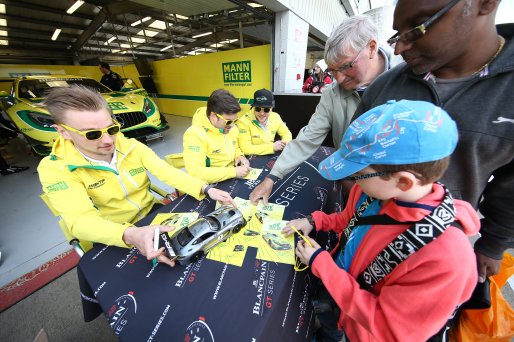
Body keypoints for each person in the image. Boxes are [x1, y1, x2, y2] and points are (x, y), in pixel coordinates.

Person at [283, 100, 480, 341]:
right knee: (327, 324)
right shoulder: (372, 192)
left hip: (360, 330)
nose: (352, 181)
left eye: (358, 174)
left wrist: (322, 265)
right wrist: (315, 222)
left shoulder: (446, 258)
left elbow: (386, 326)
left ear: (404, 181)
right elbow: (349, 220)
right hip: (336, 291)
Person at [353, 0, 513, 282]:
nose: (399, 48)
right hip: (366, 234)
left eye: (416, 28)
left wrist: (494, 244)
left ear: (485, 4)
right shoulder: (384, 86)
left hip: (436, 257)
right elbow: (354, 158)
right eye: (397, 34)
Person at [38, 85, 236, 267]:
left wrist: (206, 188)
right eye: (92, 134)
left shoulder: (131, 145)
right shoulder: (55, 168)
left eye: (112, 129)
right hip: (113, 233)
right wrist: (129, 234)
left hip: (152, 214)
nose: (108, 140)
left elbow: (167, 172)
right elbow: (81, 221)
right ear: (63, 132)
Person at [250, 15, 392, 204]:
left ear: (371, 48)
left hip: (395, 191)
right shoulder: (332, 93)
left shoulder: (411, 79)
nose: (339, 79)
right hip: (351, 181)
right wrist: (272, 177)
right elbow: (308, 138)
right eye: (332, 71)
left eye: (346, 66)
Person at [183, 89, 251, 183]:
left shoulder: (232, 128)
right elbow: (196, 172)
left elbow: (234, 146)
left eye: (235, 120)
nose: (232, 125)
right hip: (211, 184)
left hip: (232, 175)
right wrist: (233, 172)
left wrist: (239, 156)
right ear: (214, 116)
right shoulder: (194, 134)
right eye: (228, 121)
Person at [236, 89, 292, 155]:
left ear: (271, 108)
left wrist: (285, 142)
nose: (262, 113)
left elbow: (286, 133)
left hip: (271, 153)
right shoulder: (243, 121)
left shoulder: (275, 116)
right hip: (252, 157)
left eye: (266, 110)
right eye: (258, 109)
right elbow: (246, 149)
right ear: (253, 107)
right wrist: (272, 147)